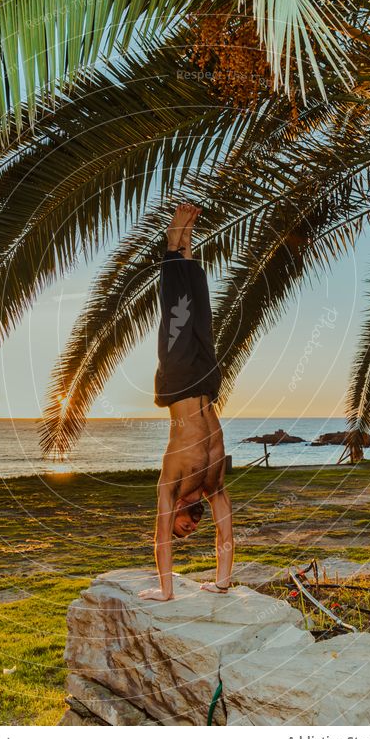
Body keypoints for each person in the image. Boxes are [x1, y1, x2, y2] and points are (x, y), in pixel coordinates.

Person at [138, 203, 234, 601]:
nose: (187, 529)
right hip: (206, 384)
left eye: (182, 528)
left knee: (176, 312)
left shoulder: (171, 483)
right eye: (190, 529)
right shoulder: (213, 484)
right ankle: (187, 248)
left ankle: (173, 242)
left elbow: (159, 541)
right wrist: (222, 581)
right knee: (199, 317)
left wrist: (165, 590)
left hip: (179, 383)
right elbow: (225, 531)